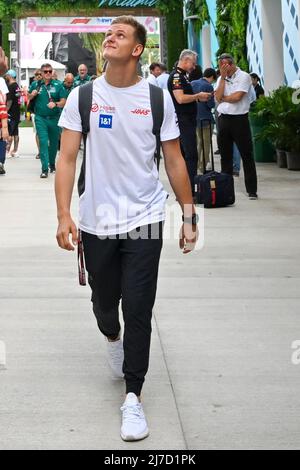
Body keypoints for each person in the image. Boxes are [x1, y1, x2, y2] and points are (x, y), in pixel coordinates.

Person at [55, 15, 198, 442]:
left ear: (137, 49)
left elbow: (173, 159)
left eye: (120, 34)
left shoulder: (157, 100)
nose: (110, 38)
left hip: (144, 220)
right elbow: (66, 159)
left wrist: (188, 215)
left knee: (138, 306)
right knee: (105, 305)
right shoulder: (83, 97)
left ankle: (133, 396)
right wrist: (65, 214)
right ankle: (110, 337)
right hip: (97, 221)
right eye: (109, 33)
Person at [168, 49, 212, 194]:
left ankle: (187, 188)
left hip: (188, 121)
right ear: (185, 60)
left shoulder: (183, 76)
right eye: (193, 63)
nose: (194, 67)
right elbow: (180, 98)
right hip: (183, 121)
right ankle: (189, 190)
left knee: (189, 155)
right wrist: (197, 96)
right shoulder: (176, 77)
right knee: (190, 155)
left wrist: (197, 97)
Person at [215, 53, 258, 199]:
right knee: (225, 156)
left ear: (231, 64)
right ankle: (226, 191)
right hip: (224, 119)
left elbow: (237, 97)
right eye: (221, 66)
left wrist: (223, 98)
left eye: (225, 66)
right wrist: (222, 78)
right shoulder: (222, 78)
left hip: (239, 119)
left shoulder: (244, 76)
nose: (223, 68)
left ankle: (251, 190)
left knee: (246, 154)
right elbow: (217, 97)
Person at [28, 63, 67, 178]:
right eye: (45, 72)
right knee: (44, 142)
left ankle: (52, 164)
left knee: (54, 144)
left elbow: (63, 102)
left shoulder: (58, 85)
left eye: (50, 71)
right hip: (40, 118)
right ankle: (44, 168)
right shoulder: (36, 84)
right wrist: (32, 94)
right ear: (41, 73)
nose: (48, 73)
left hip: (54, 119)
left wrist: (55, 103)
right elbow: (28, 97)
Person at [191, 68, 217, 173]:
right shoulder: (208, 86)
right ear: (211, 77)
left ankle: (196, 165)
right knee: (206, 144)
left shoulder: (192, 83)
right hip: (206, 118)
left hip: (195, 118)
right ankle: (203, 166)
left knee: (198, 143)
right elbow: (210, 104)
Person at [5, 69, 21, 158]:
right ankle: (15, 151)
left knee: (10, 133)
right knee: (16, 132)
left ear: (10, 76)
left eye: (7, 75)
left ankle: (7, 151)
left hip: (11, 112)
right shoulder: (17, 86)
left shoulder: (11, 86)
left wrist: (6, 111)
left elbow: (10, 101)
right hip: (17, 112)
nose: (6, 76)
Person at [0, 83, 9, 175]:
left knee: (2, 144)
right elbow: (3, 118)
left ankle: (0, 163)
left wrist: (5, 129)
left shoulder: (1, 106)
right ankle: (1, 163)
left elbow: (3, 118)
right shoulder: (2, 106)